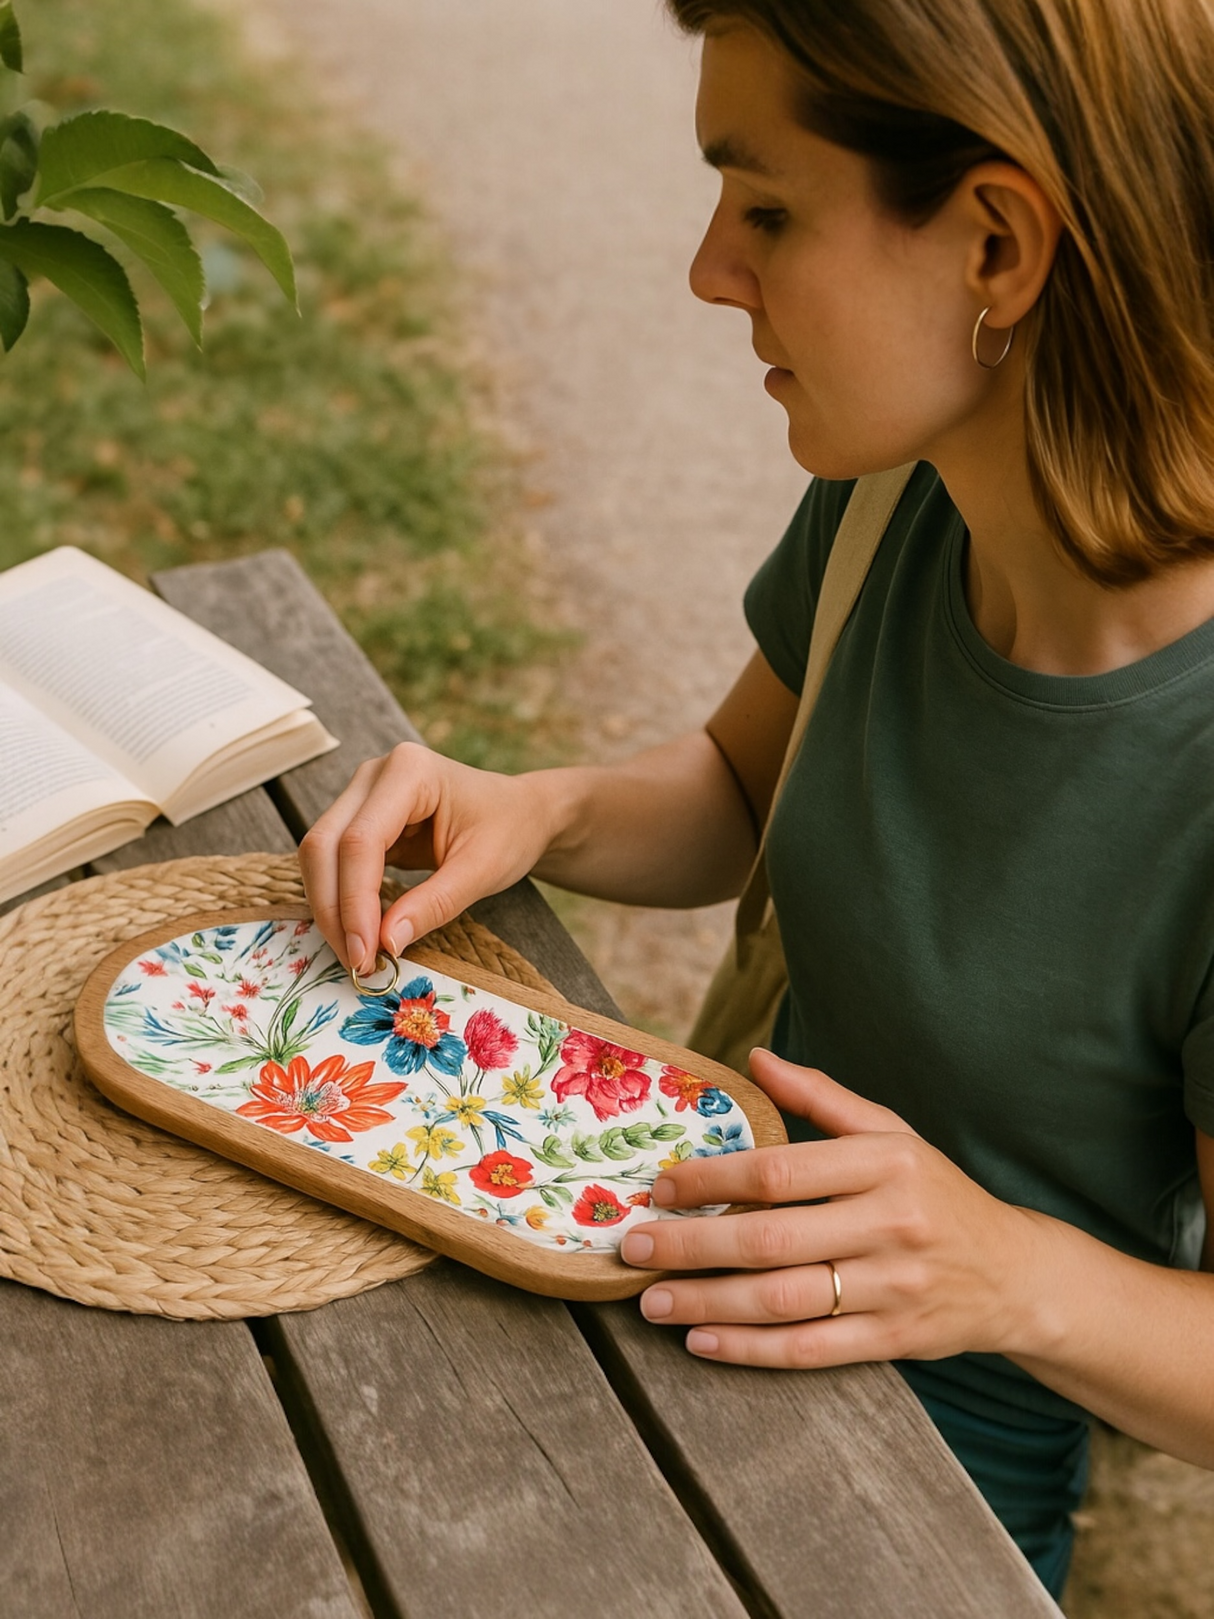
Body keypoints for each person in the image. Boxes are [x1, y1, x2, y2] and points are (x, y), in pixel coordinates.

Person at [300, 0, 1214, 1597]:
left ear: (996, 247)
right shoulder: (896, 495)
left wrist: (1007, 1277)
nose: (710, 268)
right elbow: (738, 779)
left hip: (899, 1471)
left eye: (770, 208)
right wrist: (543, 809)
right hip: (647, 1271)